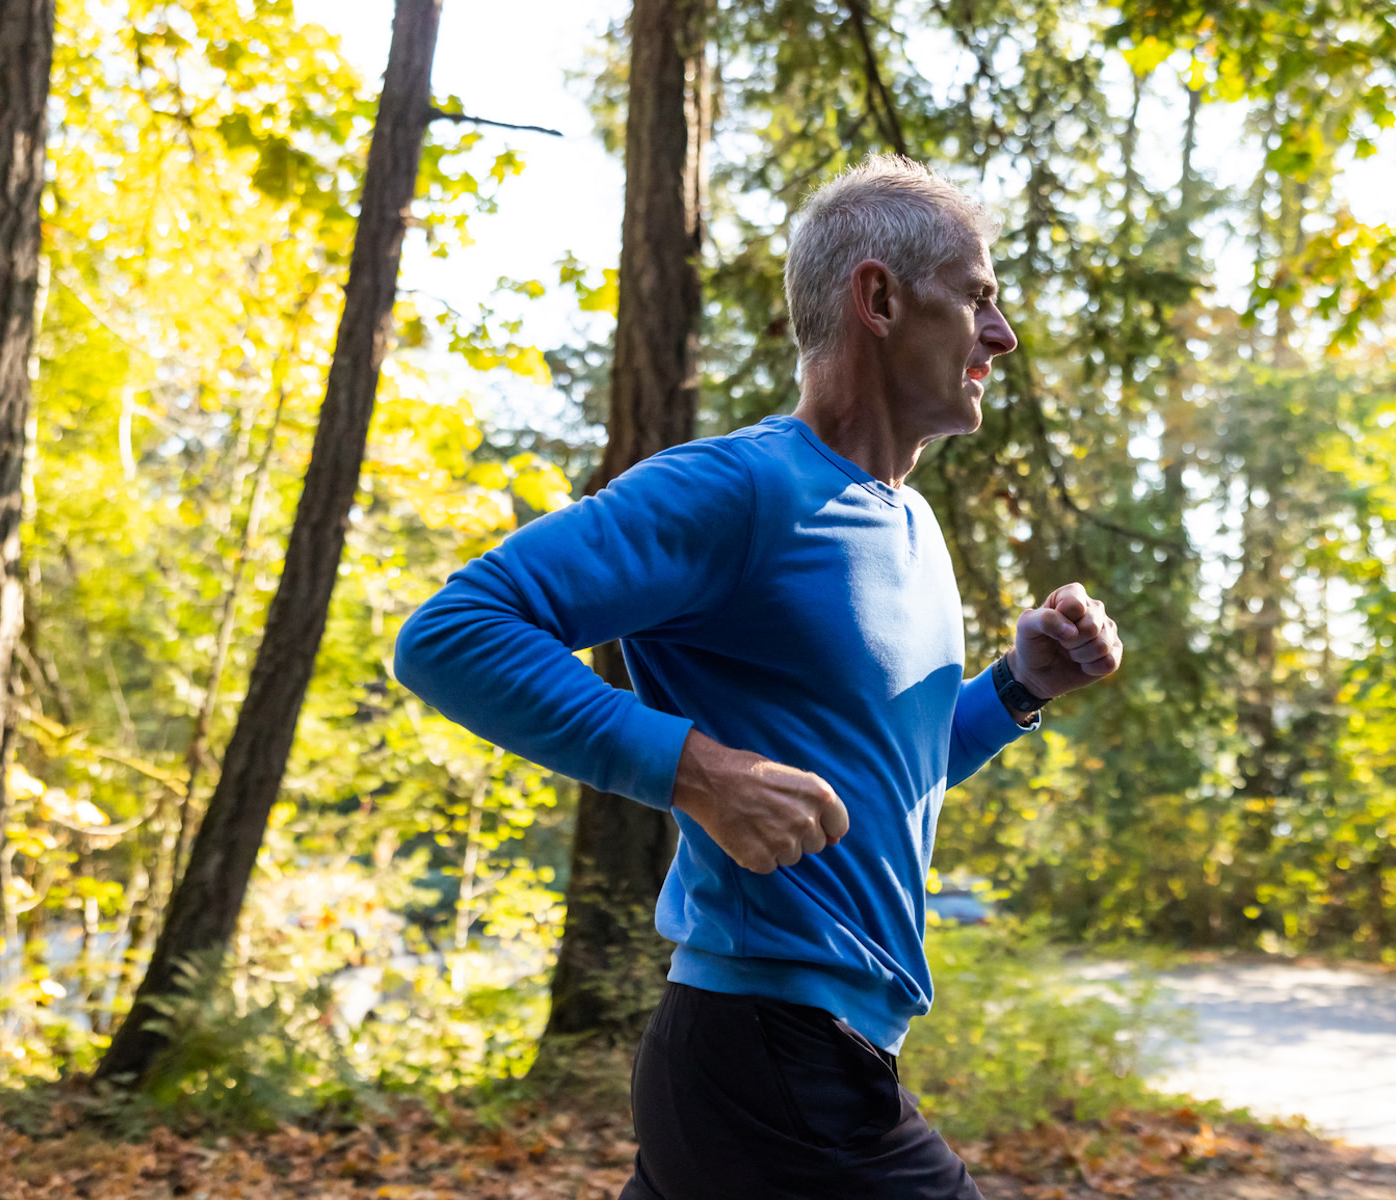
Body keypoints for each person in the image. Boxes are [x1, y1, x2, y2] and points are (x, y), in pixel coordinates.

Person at [394, 154, 1124, 1200]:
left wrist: (1017, 689)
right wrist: (695, 771)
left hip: (798, 1055)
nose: (1002, 337)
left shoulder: (909, 524)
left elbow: (877, 780)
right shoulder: (738, 490)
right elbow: (452, 632)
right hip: (769, 1056)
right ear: (879, 297)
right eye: (978, 299)